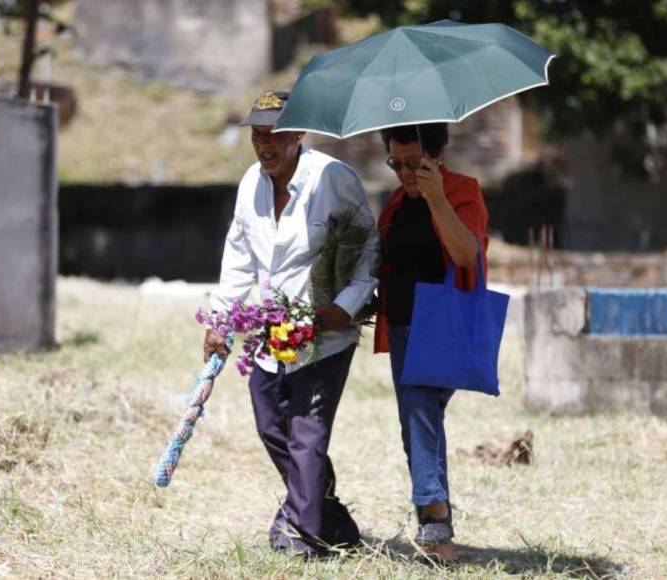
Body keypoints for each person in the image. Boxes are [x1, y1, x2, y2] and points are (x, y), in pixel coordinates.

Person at [203, 90, 379, 558]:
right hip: (271, 336)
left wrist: (342, 309)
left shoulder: (332, 179)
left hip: (327, 335)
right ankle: (333, 522)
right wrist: (220, 319)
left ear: (298, 134)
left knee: (306, 435)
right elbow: (239, 260)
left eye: (275, 135)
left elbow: (367, 249)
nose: (265, 146)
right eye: (258, 135)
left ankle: (302, 538)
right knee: (271, 425)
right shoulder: (249, 185)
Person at [374, 123, 489, 563]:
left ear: (438, 154)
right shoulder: (397, 203)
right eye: (396, 163)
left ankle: (434, 522)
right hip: (402, 328)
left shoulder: (463, 191)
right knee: (418, 426)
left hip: (442, 326)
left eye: (414, 163)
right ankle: (438, 529)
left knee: (420, 410)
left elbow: (466, 255)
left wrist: (436, 196)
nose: (404, 173)